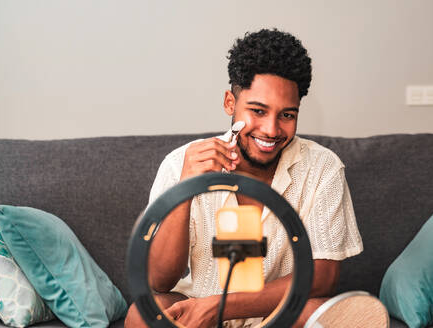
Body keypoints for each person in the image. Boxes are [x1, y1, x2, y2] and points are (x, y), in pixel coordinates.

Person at [125, 28, 363, 328]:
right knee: (144, 314)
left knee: (331, 314)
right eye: (258, 110)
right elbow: (160, 280)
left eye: (287, 115)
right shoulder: (180, 163)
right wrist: (183, 191)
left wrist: (219, 307)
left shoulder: (323, 167)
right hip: (198, 315)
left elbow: (323, 277)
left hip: (279, 314)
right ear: (229, 103)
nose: (271, 129)